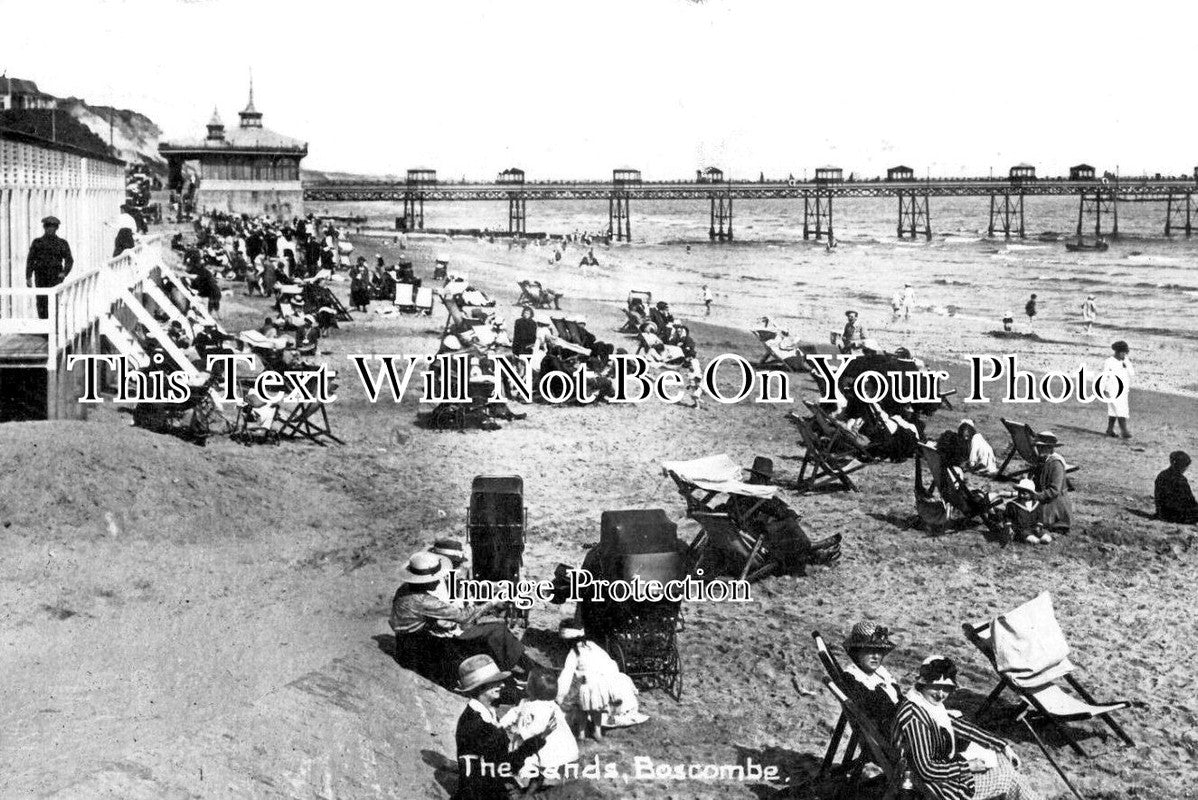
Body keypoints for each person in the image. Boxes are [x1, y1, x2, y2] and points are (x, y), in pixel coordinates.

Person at [893, 656, 1041, 800]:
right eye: (936, 687)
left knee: (1001, 757)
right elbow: (927, 770)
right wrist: (968, 766)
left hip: (939, 773)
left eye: (946, 689)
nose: (940, 694)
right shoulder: (915, 717)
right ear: (923, 683)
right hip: (939, 786)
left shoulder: (923, 703)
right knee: (1010, 778)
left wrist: (1002, 744)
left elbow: (961, 726)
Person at [389, 552, 533, 677]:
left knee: (488, 636)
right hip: (421, 649)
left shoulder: (404, 590)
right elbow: (464, 616)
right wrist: (493, 601)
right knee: (494, 632)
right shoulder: (423, 601)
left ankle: (527, 667)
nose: (436, 581)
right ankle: (531, 669)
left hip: (408, 645)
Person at [454, 655, 556, 800]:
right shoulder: (475, 723)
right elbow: (507, 764)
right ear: (480, 688)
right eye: (495, 683)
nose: (501, 685)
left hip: (490, 781)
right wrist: (540, 739)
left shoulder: (485, 712)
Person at [556, 620, 648, 741]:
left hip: (585, 687)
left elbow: (566, 674)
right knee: (597, 710)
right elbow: (610, 665)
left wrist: (560, 695)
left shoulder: (574, 653)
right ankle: (597, 732)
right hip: (600, 686)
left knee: (583, 710)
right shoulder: (593, 647)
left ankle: (582, 733)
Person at [498, 669, 579, 791]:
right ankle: (531, 787)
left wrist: (521, 732)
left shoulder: (546, 708)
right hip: (537, 742)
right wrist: (502, 723)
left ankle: (532, 788)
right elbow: (515, 712)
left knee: (538, 765)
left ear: (531, 689)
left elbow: (539, 727)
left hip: (546, 743)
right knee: (535, 766)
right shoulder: (526, 702)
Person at [840, 622, 901, 728]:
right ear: (857, 651)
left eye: (880, 651)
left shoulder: (880, 672)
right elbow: (875, 709)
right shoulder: (852, 677)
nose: (876, 656)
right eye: (869, 651)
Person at [25, 216, 74, 320]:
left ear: (57, 228)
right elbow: (30, 260)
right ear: (44, 227)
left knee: (55, 301)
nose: (51, 229)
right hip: (40, 276)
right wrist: (28, 277)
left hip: (55, 277)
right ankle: (44, 329)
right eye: (48, 226)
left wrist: (64, 273)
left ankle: (54, 327)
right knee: (41, 301)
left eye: (53, 226)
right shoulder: (37, 242)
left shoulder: (62, 243)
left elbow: (69, 260)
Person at [1031, 432, 1072, 534]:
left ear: (1050, 448)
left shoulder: (1056, 464)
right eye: (1039, 447)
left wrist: (1035, 496)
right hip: (1044, 498)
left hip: (1055, 504)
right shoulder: (1042, 461)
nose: (1040, 450)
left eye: (1043, 447)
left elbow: (1054, 491)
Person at [1100, 340, 1134, 439]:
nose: (1124, 354)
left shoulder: (1126, 361)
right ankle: (1124, 431)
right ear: (1117, 351)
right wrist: (1105, 389)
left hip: (1123, 389)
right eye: (1122, 352)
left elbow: (1132, 374)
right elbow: (1105, 376)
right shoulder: (1109, 361)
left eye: (1125, 352)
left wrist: (1126, 364)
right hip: (1112, 389)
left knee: (1114, 410)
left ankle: (1110, 430)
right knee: (1120, 410)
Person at [1154, 451, 1198, 523]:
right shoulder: (1181, 479)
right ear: (1182, 466)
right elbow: (1190, 501)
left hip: (1161, 513)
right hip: (1175, 516)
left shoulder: (1162, 474)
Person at [1002, 478, 1046, 545]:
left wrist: (1038, 526)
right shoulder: (1012, 504)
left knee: (1047, 539)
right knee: (1035, 541)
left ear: (1031, 494)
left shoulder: (1037, 504)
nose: (1021, 495)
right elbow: (1007, 517)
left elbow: (1040, 518)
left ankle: (1033, 536)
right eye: (1020, 493)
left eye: (1024, 494)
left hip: (1033, 528)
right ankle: (1020, 538)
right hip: (1019, 529)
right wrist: (1009, 528)